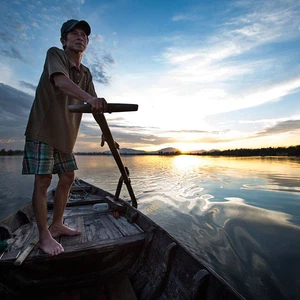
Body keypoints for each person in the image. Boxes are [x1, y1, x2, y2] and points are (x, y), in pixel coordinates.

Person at [22, 19, 107, 255]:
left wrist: (107, 135)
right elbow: (60, 82)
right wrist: (90, 99)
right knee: (42, 181)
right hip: (43, 129)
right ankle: (44, 236)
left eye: (85, 35)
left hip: (65, 135)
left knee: (68, 178)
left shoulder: (87, 73)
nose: (81, 37)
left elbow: (95, 105)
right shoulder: (55, 55)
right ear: (63, 40)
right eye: (74, 33)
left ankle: (57, 224)